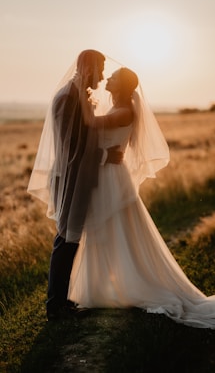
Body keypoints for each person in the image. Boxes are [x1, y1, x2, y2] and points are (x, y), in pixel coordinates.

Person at [67, 59, 215, 330]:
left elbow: (90, 124)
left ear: (122, 86)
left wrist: (81, 92)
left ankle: (132, 284)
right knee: (105, 230)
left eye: (113, 77)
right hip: (106, 175)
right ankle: (105, 286)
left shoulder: (125, 111)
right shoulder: (116, 106)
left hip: (113, 178)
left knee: (118, 230)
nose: (107, 79)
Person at [27, 50, 123, 320]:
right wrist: (106, 156)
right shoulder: (68, 98)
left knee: (71, 238)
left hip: (79, 177)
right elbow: (72, 146)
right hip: (70, 177)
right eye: (101, 70)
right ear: (89, 67)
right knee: (65, 239)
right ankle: (55, 306)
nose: (103, 77)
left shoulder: (78, 94)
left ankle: (61, 301)